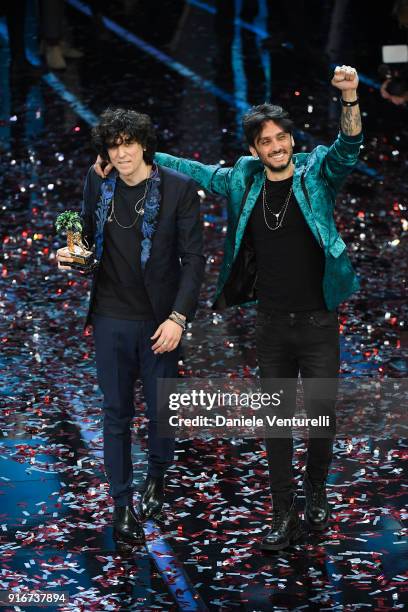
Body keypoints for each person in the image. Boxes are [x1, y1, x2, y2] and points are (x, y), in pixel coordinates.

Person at [94, 66, 363, 551]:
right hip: (272, 324)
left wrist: (349, 100)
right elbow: (197, 173)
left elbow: (348, 150)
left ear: (291, 141)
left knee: (321, 416)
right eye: (266, 141)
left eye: (282, 138)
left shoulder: (316, 170)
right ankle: (284, 513)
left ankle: (316, 489)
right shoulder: (244, 177)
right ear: (254, 149)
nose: (277, 147)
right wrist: (136, 158)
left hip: (320, 319)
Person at [57, 108, 205, 544]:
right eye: (113, 145)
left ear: (143, 144)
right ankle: (122, 506)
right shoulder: (97, 183)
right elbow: (85, 236)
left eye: (128, 143)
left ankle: (156, 478)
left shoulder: (178, 189)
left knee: (161, 412)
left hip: (160, 321)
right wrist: (71, 256)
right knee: (115, 413)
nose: (121, 153)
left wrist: (178, 318)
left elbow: (194, 260)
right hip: (110, 318)